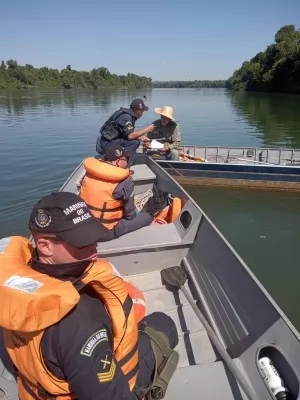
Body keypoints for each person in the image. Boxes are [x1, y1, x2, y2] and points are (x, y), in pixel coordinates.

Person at [0, 192, 179, 400]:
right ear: (45, 246)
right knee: (163, 324)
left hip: (35, 387)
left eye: (93, 237)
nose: (94, 247)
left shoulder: (12, 288)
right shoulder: (81, 321)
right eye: (82, 242)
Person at [81, 144, 165, 238]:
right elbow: (130, 215)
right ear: (118, 161)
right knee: (147, 217)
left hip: (85, 224)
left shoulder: (89, 173)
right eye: (126, 159)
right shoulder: (124, 181)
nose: (128, 163)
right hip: (105, 231)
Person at [96, 98, 155, 166]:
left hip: (108, 141)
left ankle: (117, 159)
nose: (142, 114)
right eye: (143, 111)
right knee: (135, 142)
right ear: (139, 111)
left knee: (135, 140)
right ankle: (122, 164)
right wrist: (147, 129)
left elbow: (126, 134)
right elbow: (130, 136)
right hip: (107, 143)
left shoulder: (127, 114)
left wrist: (141, 137)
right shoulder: (126, 117)